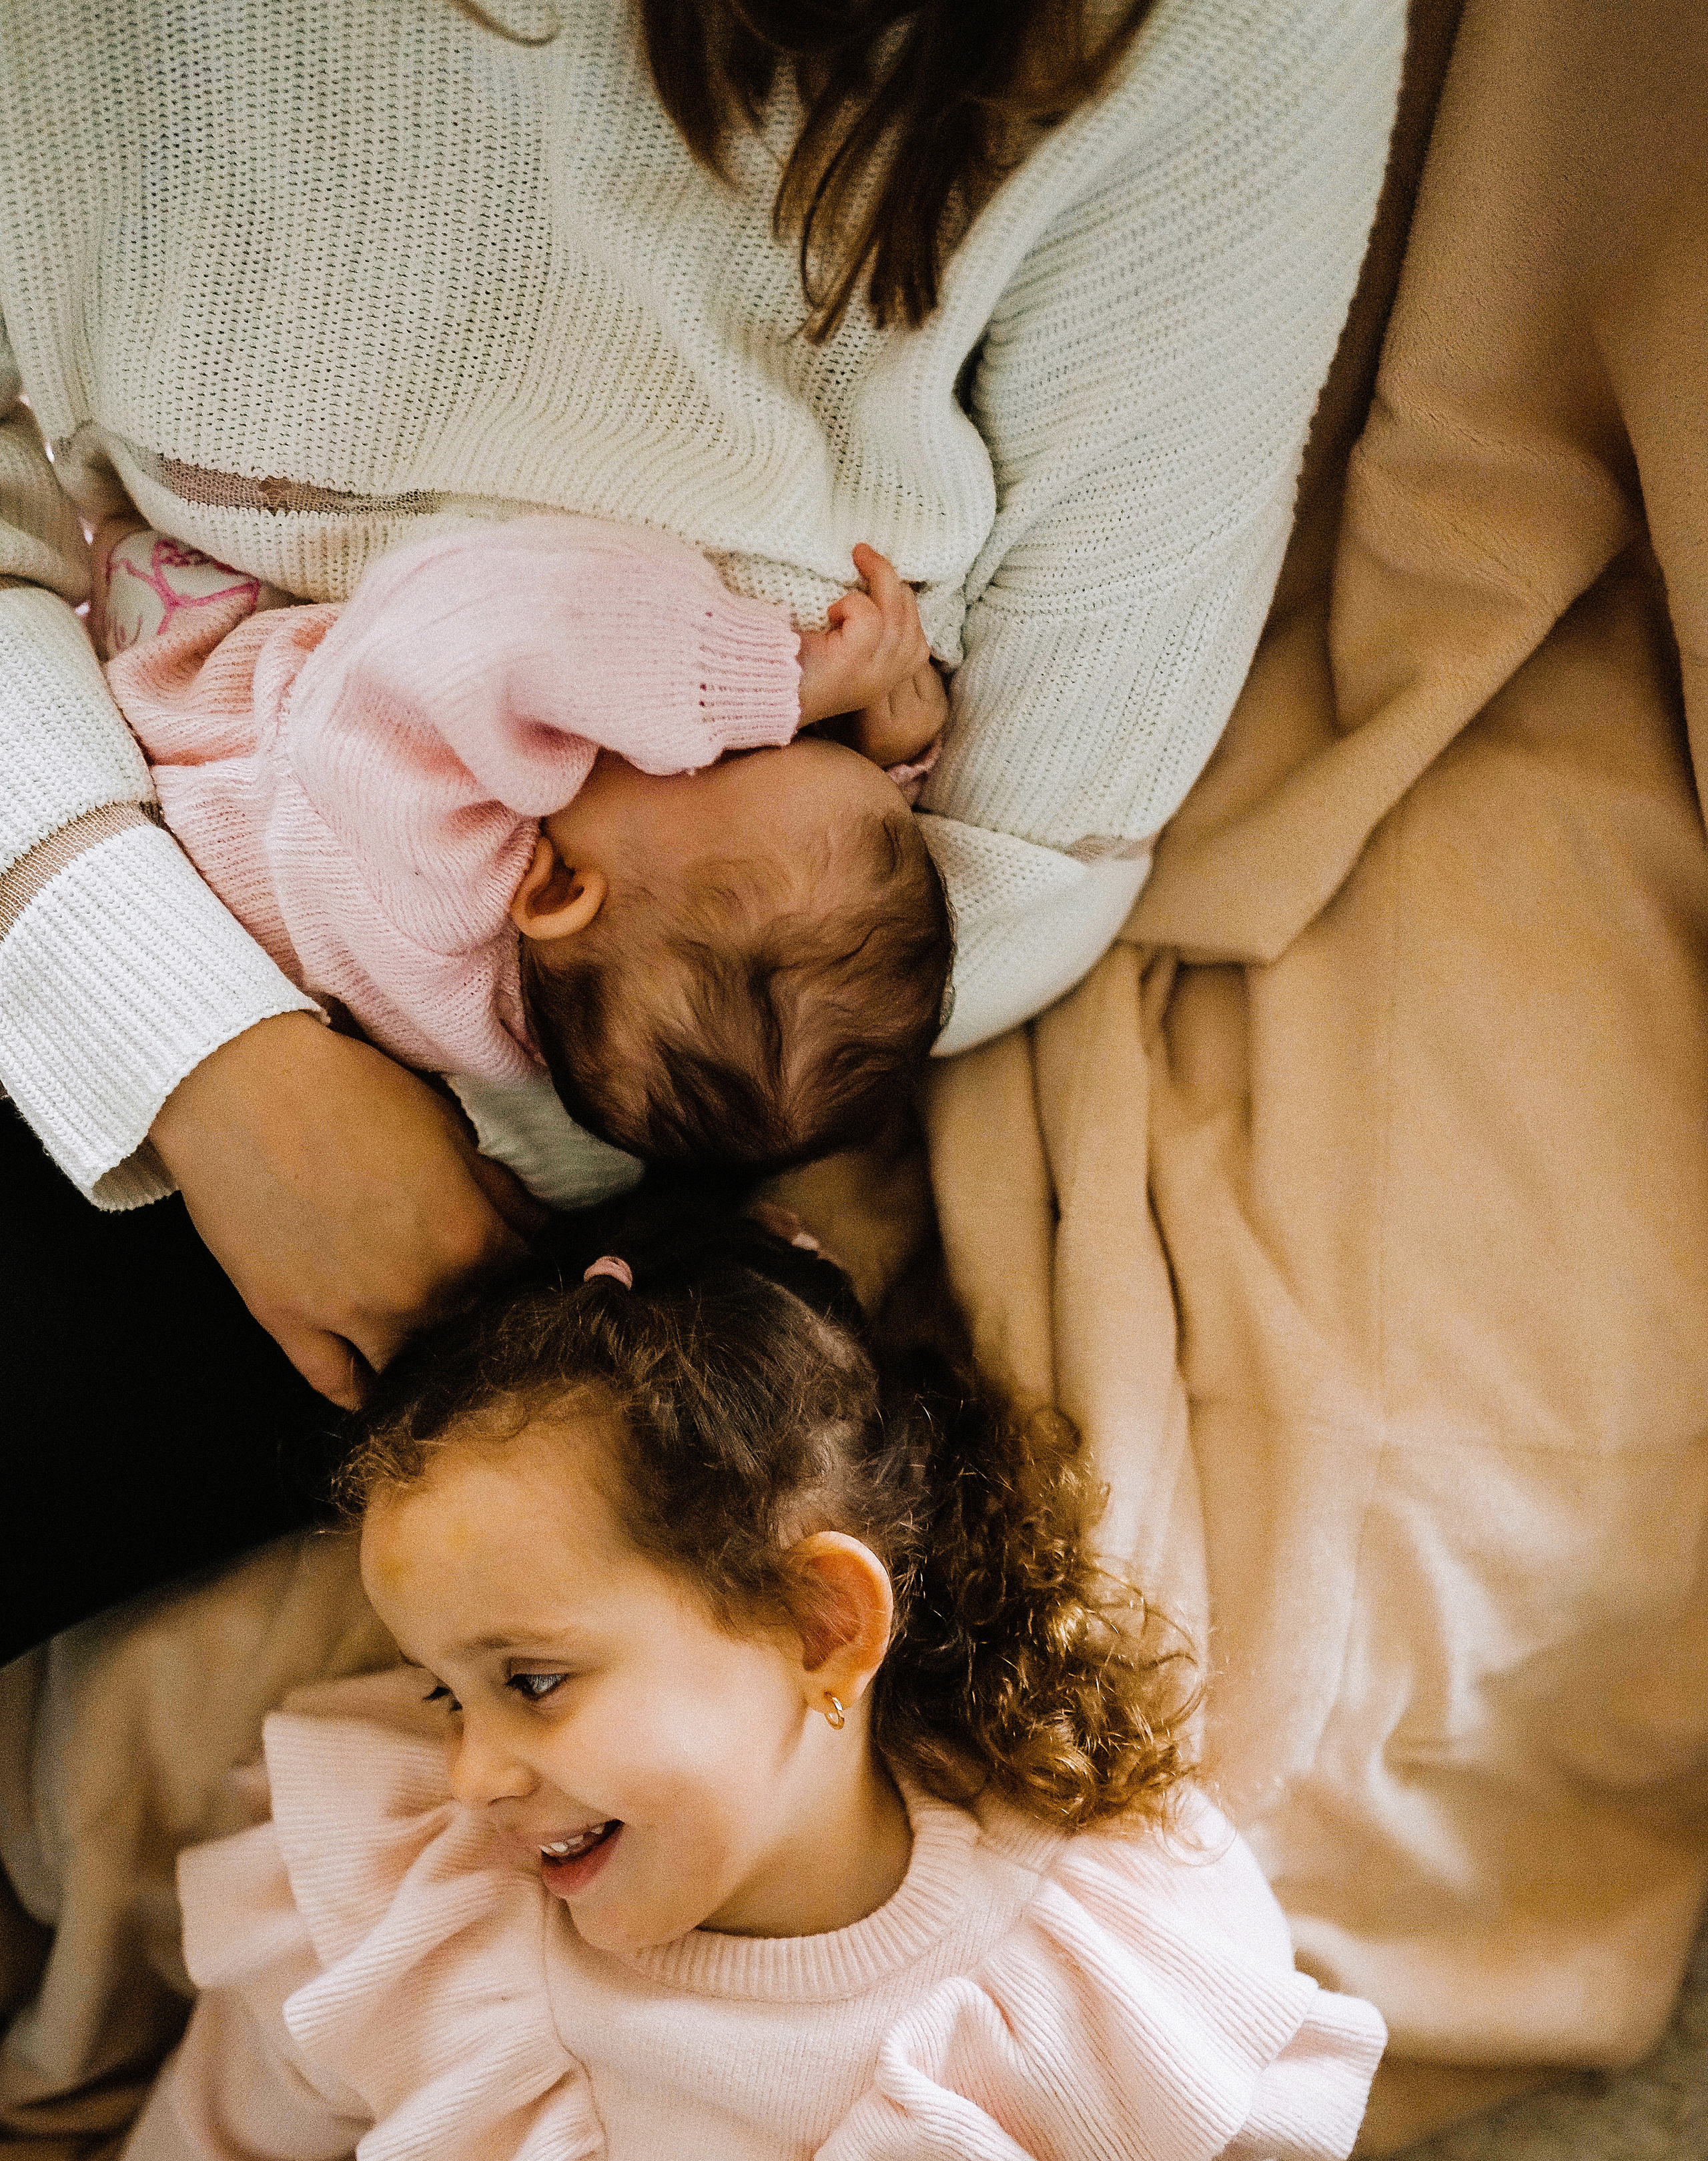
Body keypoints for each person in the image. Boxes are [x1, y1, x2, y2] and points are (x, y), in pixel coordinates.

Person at [0, 0, 1404, 1651]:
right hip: (129, 887)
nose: (775, 728)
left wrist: (766, 697)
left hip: (298, 996)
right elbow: (828, 849)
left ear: (552, 883)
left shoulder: (443, 829)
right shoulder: (635, 885)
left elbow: (499, 637)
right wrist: (197, 1055)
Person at [0, 1211, 1384, 2161]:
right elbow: (222, 2136)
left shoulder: (1086, 1964)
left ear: (820, 1625)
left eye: (534, 1681)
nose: (475, 1772)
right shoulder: (443, 1905)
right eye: (447, 1696)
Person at [91, 510, 951, 1198]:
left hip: (178, 700)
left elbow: (486, 618)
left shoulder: (435, 866)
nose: (775, 732)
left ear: (563, 892)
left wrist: (772, 679)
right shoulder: (568, 1050)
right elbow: (788, 870)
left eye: (732, 755)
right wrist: (886, 757)